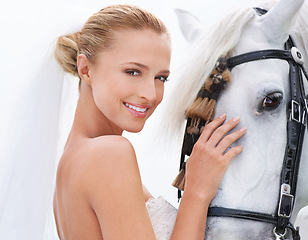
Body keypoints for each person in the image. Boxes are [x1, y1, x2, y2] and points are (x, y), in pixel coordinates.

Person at [51, 4, 246, 240]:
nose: (150, 94)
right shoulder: (108, 154)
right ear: (86, 69)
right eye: (133, 71)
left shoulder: (73, 160)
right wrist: (197, 191)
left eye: (160, 78)